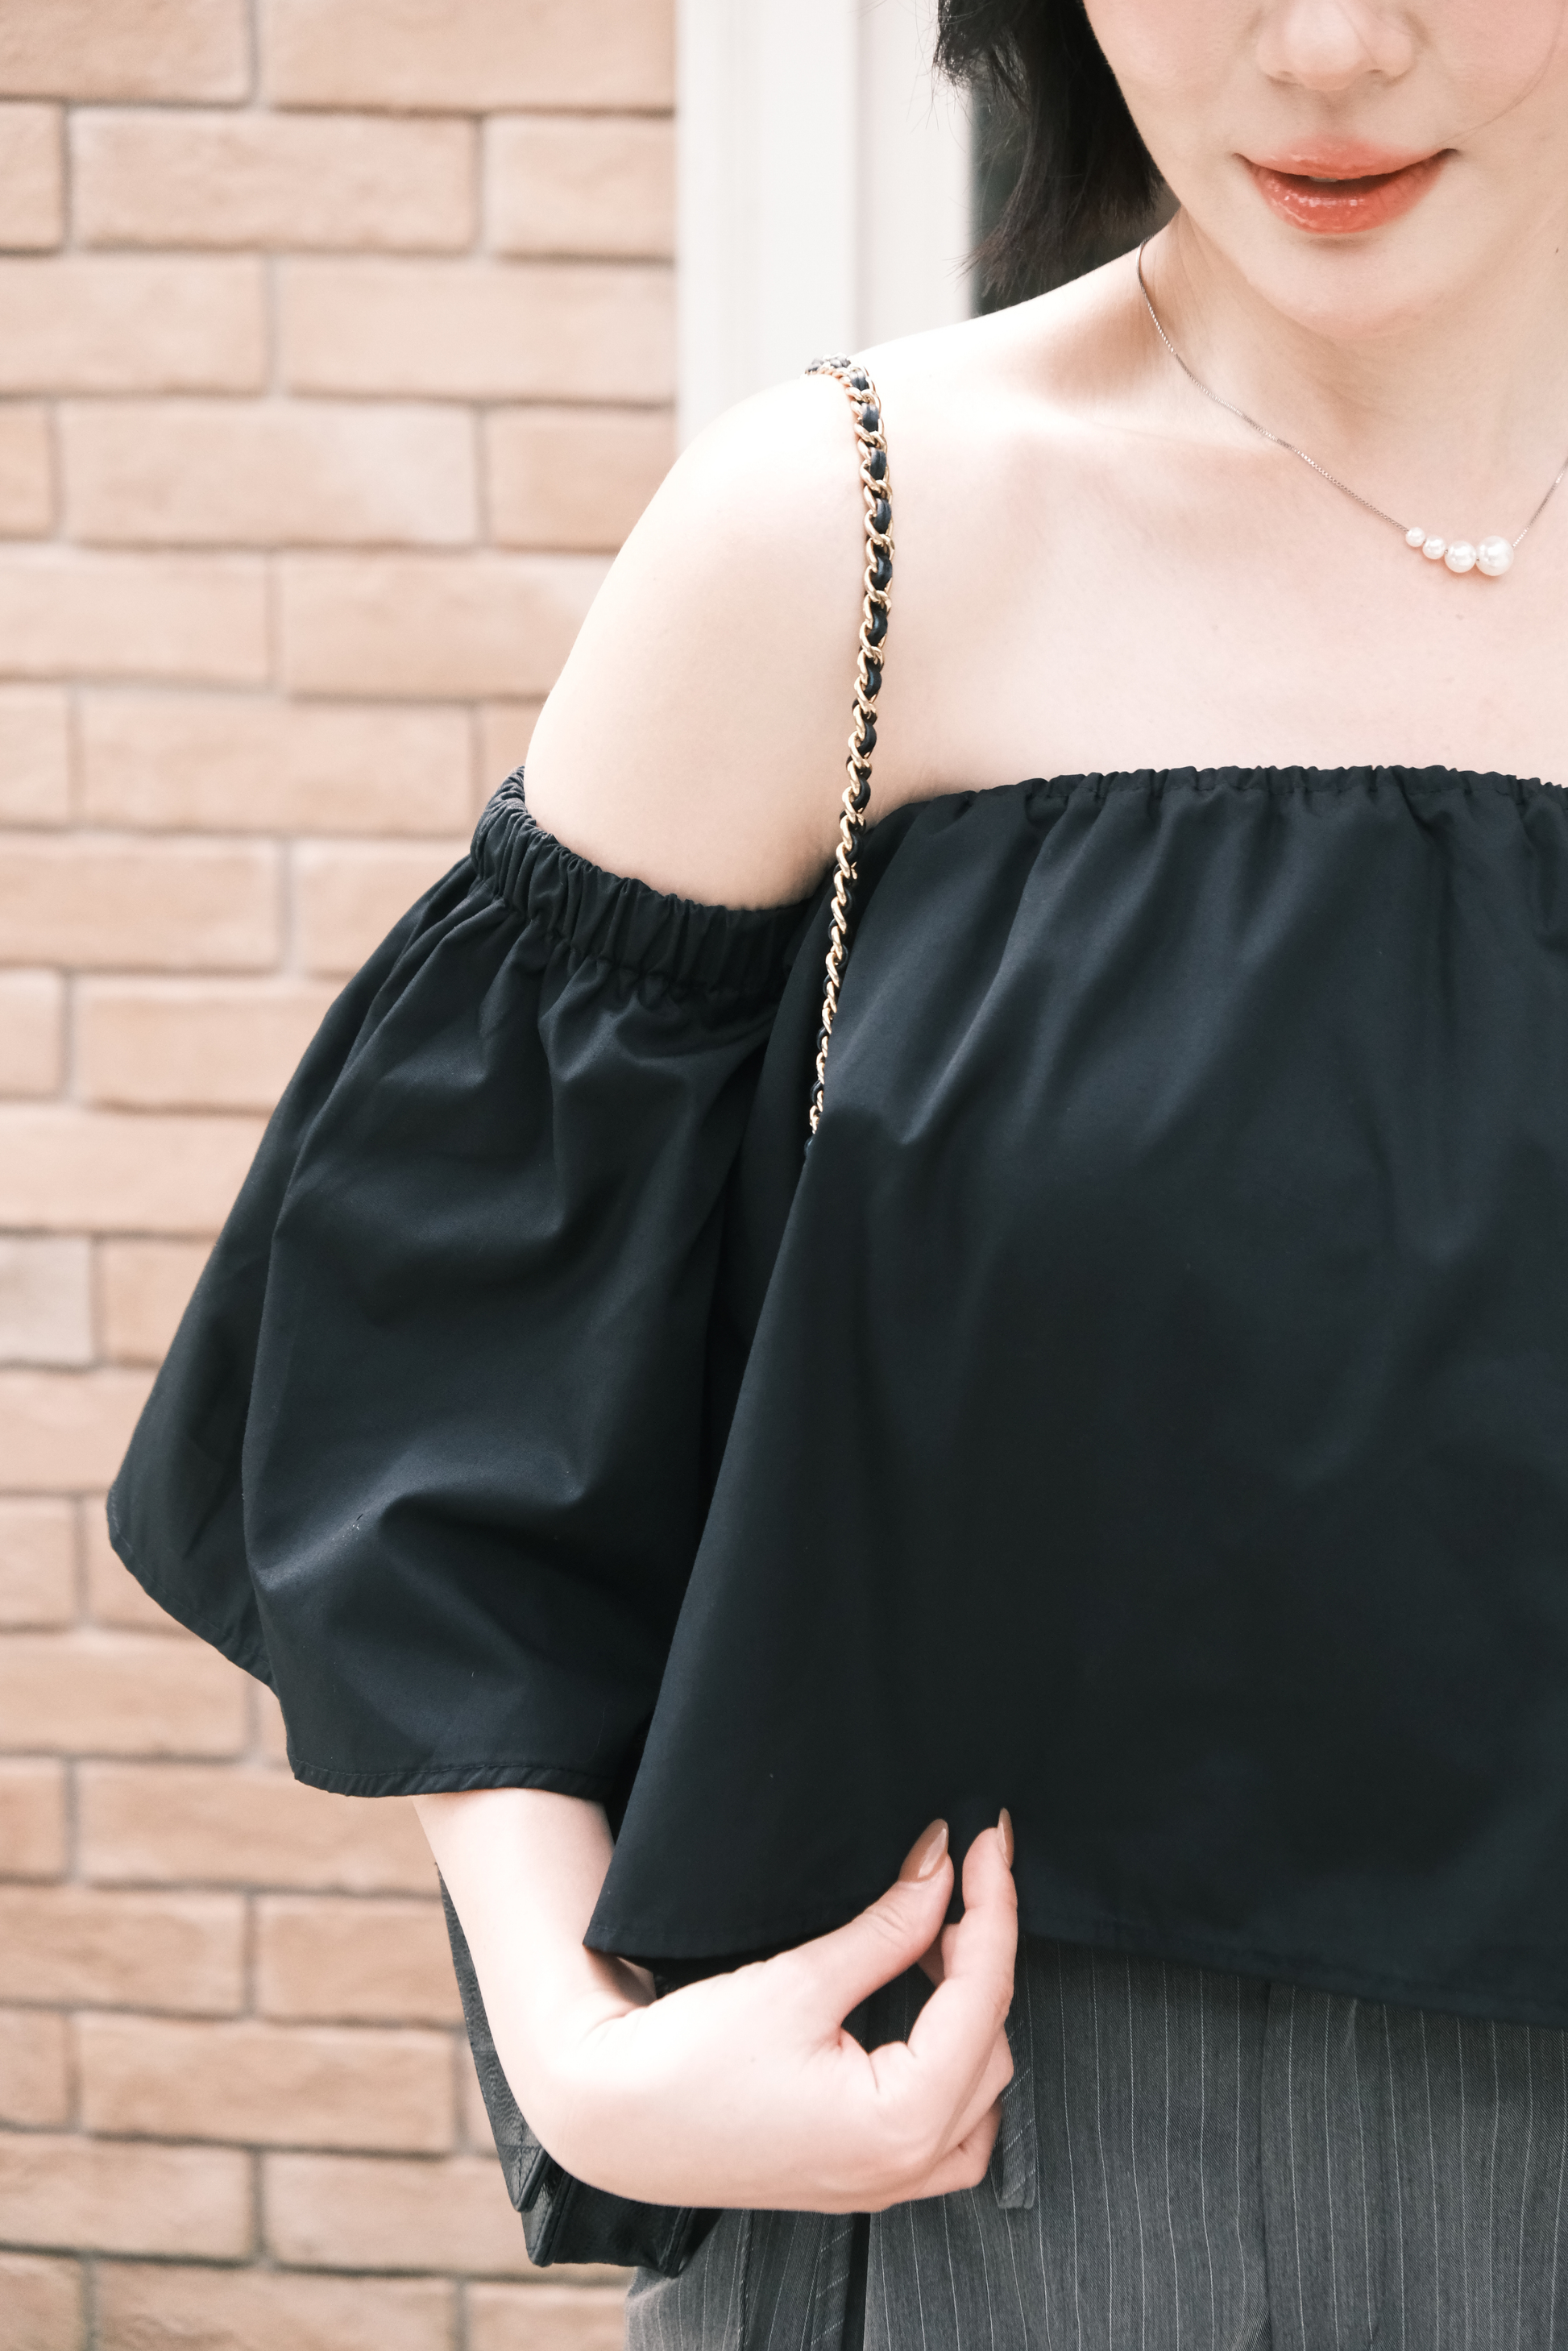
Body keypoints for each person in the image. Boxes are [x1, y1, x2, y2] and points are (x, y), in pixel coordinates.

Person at [109, 0, 1568, 2343]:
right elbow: (432, 1375)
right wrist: (585, 2056)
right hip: (1022, 2182)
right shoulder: (857, 533)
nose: (1324, 46)